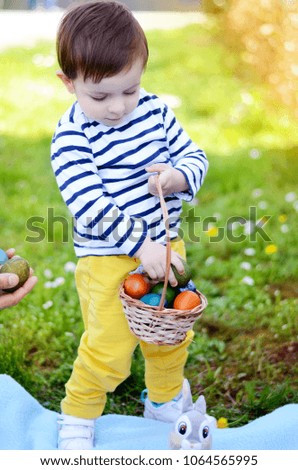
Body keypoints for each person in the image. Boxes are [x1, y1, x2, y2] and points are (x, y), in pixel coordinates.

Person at [51, 1, 209, 450]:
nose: (118, 107)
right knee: (109, 347)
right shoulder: (71, 137)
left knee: (170, 334)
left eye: (130, 90)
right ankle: (78, 415)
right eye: (100, 96)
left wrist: (179, 177)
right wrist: (143, 247)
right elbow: (89, 205)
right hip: (107, 258)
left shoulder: (156, 113)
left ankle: (162, 402)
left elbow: (195, 157)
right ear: (69, 83)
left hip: (167, 247)